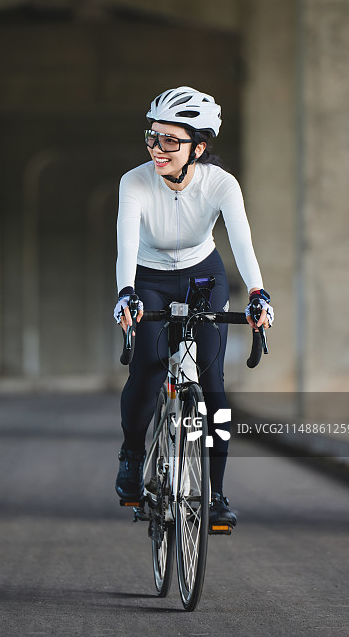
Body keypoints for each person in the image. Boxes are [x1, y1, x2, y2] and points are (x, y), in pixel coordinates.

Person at [113, 86, 274, 528]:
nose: (156, 149)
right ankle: (132, 453)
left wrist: (258, 293)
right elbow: (126, 242)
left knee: (214, 387)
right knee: (147, 365)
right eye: (152, 137)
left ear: (198, 147)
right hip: (148, 277)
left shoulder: (220, 184)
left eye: (170, 141)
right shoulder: (135, 181)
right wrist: (126, 292)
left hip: (204, 274)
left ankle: (216, 494)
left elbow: (242, 241)